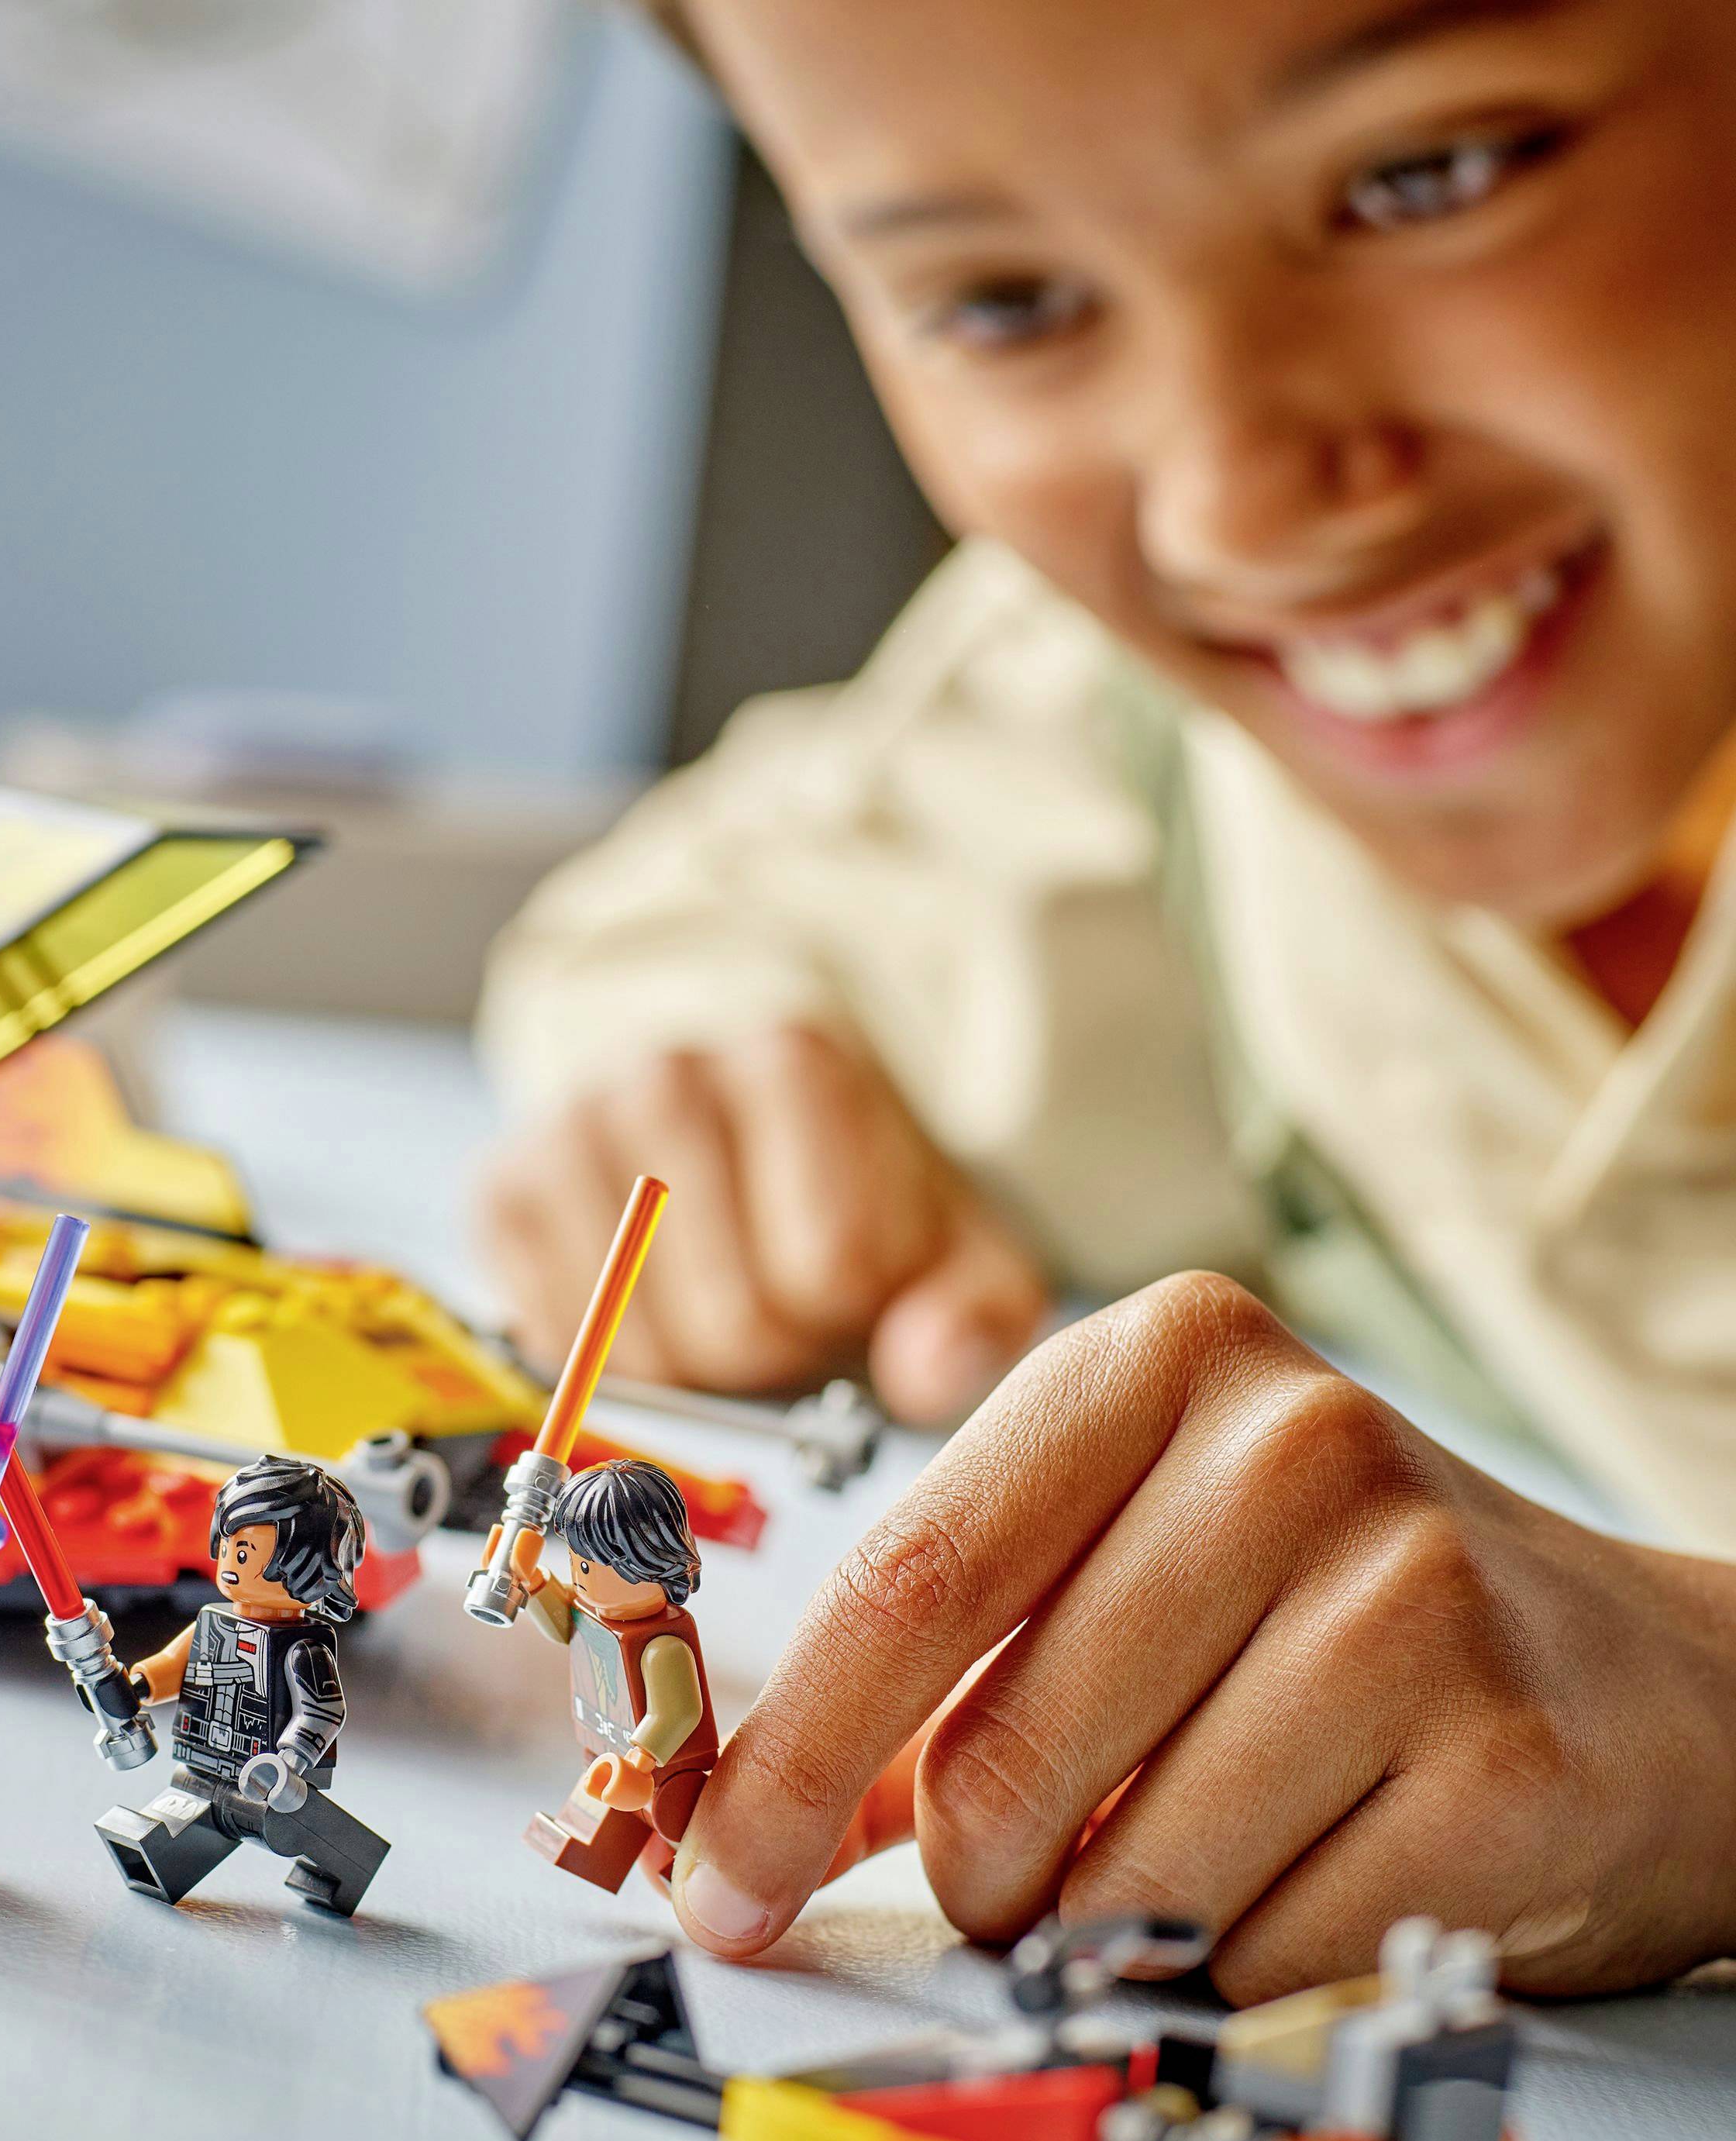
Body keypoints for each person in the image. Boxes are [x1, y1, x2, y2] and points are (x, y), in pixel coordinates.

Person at [477, 0, 1736, 1998]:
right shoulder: (1186, 736)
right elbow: (710, 893)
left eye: (1429, 174)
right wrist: (715, 1094)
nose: (1239, 503)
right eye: (996, 301)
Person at [97, 1454, 390, 1916]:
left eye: (247, 1552)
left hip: (267, 1781)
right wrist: (137, 1686)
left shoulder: (301, 1646)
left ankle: (347, 1867)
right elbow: (174, 1664)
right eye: (230, 1545)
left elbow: (322, 1710)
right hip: (204, 1759)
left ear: (306, 1566)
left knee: (270, 1822)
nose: (231, 1563)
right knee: (176, 1818)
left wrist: (289, 1761)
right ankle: (156, 1861)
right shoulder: (214, 1623)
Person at [513, 1457, 720, 1893]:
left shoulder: (661, 1644)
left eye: (587, 1565)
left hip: (659, 1772)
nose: (577, 1574)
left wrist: (640, 1763)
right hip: (607, 1749)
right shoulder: (594, 1615)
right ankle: (612, 1858)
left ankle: (704, 1877)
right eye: (574, 1560)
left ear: (642, 1562)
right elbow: (564, 1627)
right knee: (600, 1822)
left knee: (672, 1833)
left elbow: (677, 1713)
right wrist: (531, 1581)